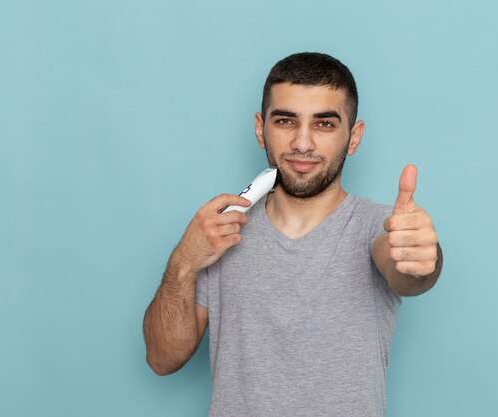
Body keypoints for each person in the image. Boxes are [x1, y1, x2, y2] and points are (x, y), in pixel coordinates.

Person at [143, 52, 443, 417]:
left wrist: (421, 259)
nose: (303, 143)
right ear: (260, 129)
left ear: (354, 136)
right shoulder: (219, 230)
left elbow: (407, 272)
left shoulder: (376, 227)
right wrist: (184, 261)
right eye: (286, 121)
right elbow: (162, 359)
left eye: (325, 124)